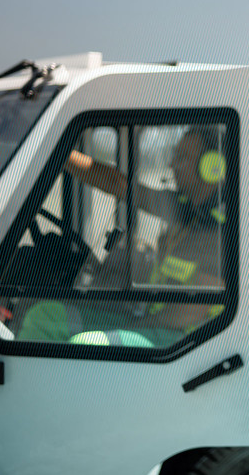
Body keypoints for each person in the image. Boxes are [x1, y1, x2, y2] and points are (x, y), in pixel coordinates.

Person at [17, 127, 226, 345]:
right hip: (151, 322)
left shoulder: (221, 231)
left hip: (183, 340)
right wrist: (54, 152)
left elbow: (190, 313)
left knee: (87, 344)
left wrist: (133, 325)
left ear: (212, 166)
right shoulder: (185, 209)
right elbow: (117, 184)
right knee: (45, 315)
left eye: (182, 158)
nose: (172, 165)